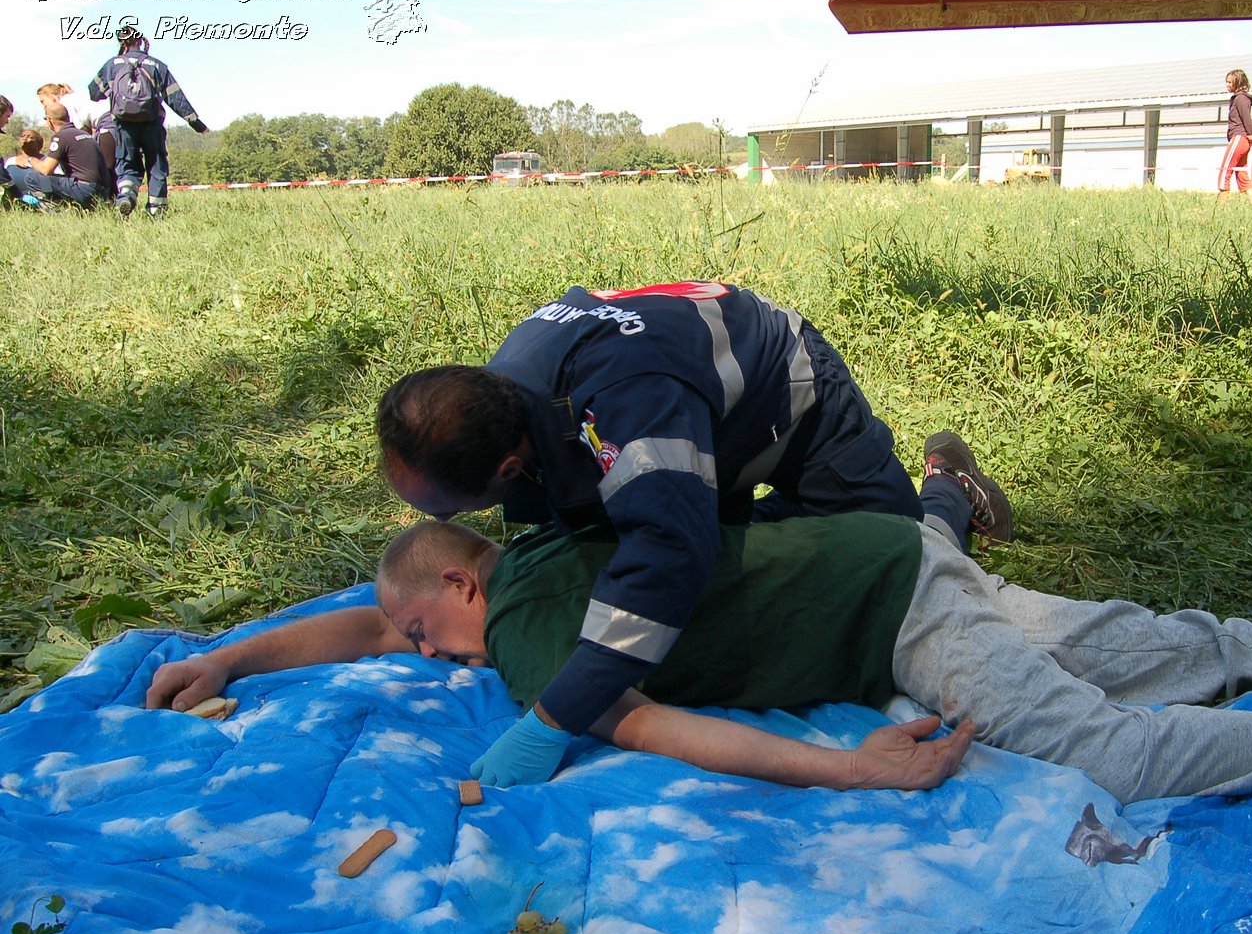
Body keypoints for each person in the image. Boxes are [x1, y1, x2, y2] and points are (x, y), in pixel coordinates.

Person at [146, 457, 1252, 833]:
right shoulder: (527, 552)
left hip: (896, 613)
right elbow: (365, 608)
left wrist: (859, 780)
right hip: (891, 548)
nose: (421, 658)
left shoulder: (526, 631)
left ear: (463, 584)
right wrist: (241, 660)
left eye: (421, 633)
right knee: (1162, 644)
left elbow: (660, 732)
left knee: (1109, 737)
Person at [377, 285, 1012, 756]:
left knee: (901, 549)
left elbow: (667, 555)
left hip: (785, 390)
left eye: (448, 509)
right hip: (692, 411)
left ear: (510, 467)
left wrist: (554, 717)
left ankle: (948, 489)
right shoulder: (494, 398)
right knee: (744, 545)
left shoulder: (625, 410)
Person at [87, 24, 207, 217]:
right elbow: (175, 97)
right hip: (152, 124)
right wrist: (194, 121)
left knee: (128, 164)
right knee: (156, 164)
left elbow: (93, 93)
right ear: (141, 41)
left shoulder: (112, 64)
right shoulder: (157, 65)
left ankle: (126, 195)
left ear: (122, 42)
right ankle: (156, 210)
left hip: (123, 125)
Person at [8, 101, 112, 207]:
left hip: (84, 189)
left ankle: (52, 212)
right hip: (104, 191)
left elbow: (46, 169)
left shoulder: (61, 137)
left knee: (32, 177)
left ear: (50, 120)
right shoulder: (84, 134)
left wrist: (30, 159)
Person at [37, 82, 113, 174]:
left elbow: (78, 132)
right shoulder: (73, 98)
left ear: (52, 96)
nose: (43, 106)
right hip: (110, 119)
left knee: (107, 169)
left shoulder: (65, 103)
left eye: (42, 101)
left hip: (106, 123)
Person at [1218, 68, 1252, 201]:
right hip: (1244, 140)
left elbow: (1247, 119)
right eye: (1227, 82)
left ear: (1238, 82)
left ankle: (1220, 207)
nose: (1228, 85)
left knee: (1225, 171)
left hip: (1239, 138)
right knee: (1241, 173)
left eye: (1230, 82)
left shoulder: (1240, 98)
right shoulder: (1242, 98)